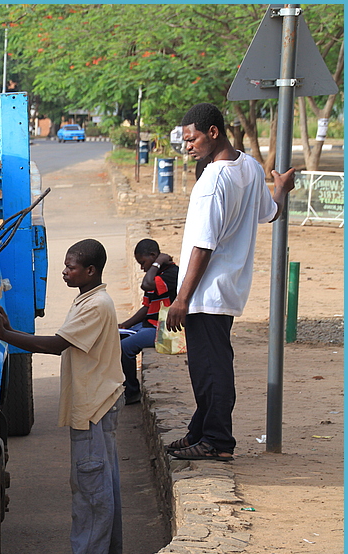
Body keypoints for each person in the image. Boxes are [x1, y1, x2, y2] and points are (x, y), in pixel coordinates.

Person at [164, 103, 295, 462]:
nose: (187, 146)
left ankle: (218, 441)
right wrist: (281, 189)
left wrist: (181, 299)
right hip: (229, 287)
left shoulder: (213, 181)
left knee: (211, 369)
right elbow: (271, 212)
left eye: (192, 139)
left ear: (213, 132)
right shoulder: (250, 166)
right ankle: (199, 431)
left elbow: (203, 247)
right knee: (210, 364)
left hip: (205, 292)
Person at [0, 239, 124, 554]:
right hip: (96, 406)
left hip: (93, 409)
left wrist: (4, 334)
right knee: (102, 492)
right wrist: (8, 329)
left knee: (92, 495)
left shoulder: (96, 305)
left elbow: (55, 345)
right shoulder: (88, 300)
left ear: (90, 271)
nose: (64, 272)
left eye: (70, 267)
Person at [117, 239, 178, 405]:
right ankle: (122, 386)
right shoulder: (157, 274)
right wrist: (125, 325)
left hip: (164, 330)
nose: (142, 268)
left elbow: (147, 284)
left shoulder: (172, 273)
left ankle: (132, 392)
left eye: (143, 263)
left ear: (153, 256)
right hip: (149, 324)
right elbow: (147, 307)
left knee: (126, 348)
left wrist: (156, 264)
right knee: (117, 338)